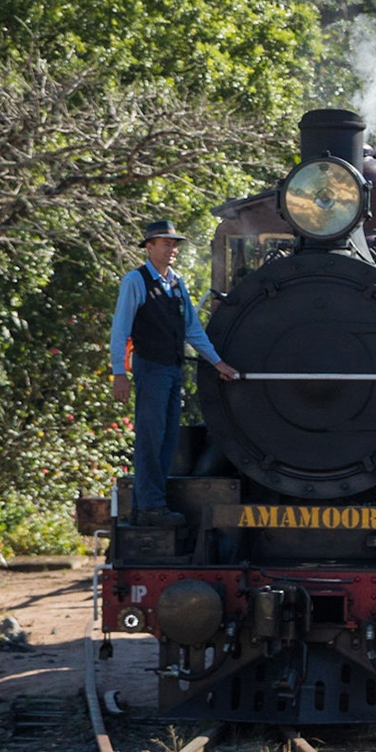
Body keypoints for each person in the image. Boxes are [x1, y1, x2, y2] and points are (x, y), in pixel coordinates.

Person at [109, 219, 239, 526]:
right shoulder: (135, 281)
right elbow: (120, 329)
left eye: (174, 244)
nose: (172, 249)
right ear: (149, 247)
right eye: (166, 243)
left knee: (168, 438)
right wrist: (119, 373)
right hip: (150, 367)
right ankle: (150, 507)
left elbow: (192, 329)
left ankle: (151, 505)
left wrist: (218, 363)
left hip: (173, 368)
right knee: (150, 438)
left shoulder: (177, 283)